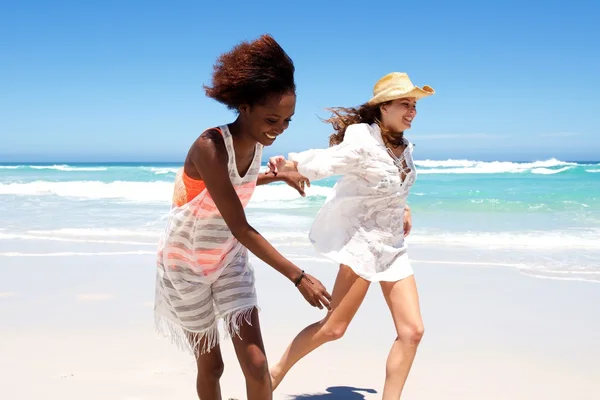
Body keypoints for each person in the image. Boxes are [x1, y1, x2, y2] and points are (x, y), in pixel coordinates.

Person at [153, 34, 332, 400]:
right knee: (212, 366)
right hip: (185, 265)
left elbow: (241, 181)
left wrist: (278, 174)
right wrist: (297, 276)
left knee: (255, 364)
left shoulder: (257, 145)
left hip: (228, 259)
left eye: (287, 120)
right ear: (244, 106)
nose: (279, 128)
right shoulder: (210, 146)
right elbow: (239, 224)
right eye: (272, 118)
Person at [267, 72, 435, 399]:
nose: (412, 111)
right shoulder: (362, 138)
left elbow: (389, 185)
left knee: (412, 331)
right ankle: (272, 375)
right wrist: (292, 164)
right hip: (363, 246)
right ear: (383, 107)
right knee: (334, 328)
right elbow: (332, 160)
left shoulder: (404, 145)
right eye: (405, 104)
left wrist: (404, 207)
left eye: (414, 105)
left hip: (393, 249)